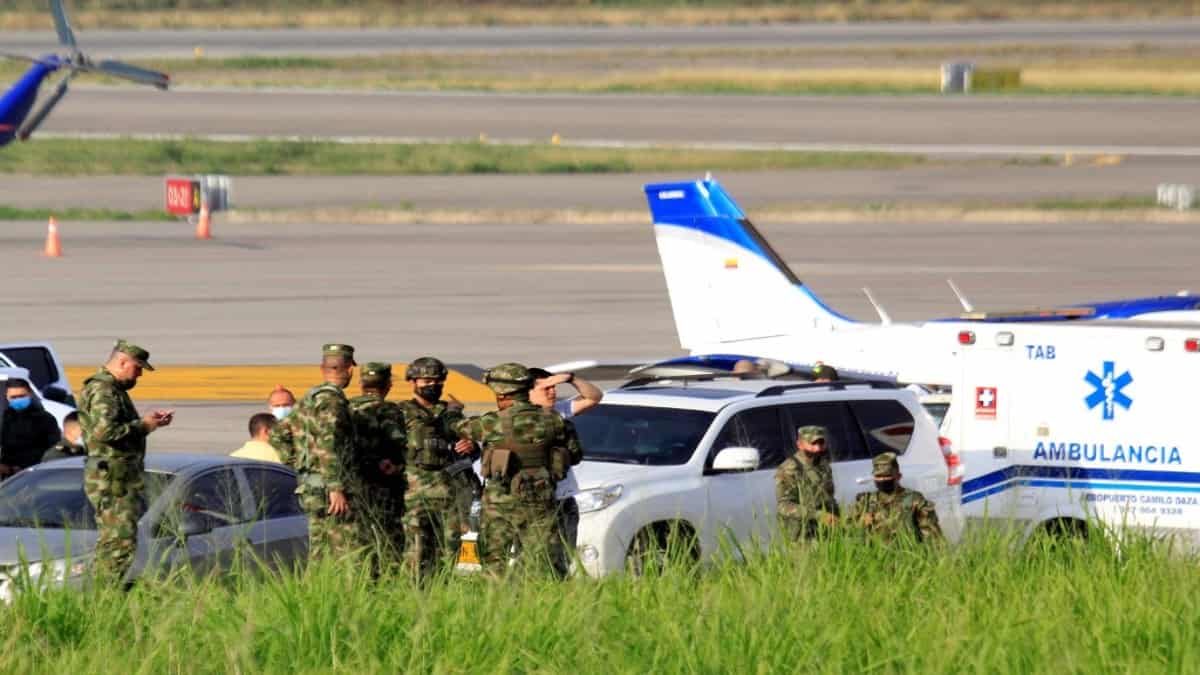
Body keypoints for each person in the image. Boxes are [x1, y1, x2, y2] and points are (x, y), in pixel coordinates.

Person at [455, 363, 582, 576]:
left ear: (502, 394)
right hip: (540, 501)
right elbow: (575, 455)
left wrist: (452, 412)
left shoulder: (491, 422)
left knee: (495, 562)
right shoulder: (555, 420)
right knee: (542, 562)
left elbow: (459, 427)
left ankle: (496, 595)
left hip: (499, 503)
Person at [78, 340, 174, 584]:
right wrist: (144, 425)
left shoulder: (110, 389)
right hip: (114, 477)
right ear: (122, 362)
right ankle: (106, 592)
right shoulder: (104, 390)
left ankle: (101, 590)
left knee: (113, 540)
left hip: (117, 475)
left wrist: (147, 423)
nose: (139, 374)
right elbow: (105, 432)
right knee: (120, 541)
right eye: (137, 367)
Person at [269, 343, 361, 560]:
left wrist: (296, 463)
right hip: (328, 491)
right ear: (350, 370)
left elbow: (277, 434)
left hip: (310, 486)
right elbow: (329, 443)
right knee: (345, 551)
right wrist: (335, 487)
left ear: (322, 369)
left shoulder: (309, 400)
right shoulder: (332, 401)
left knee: (319, 549)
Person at [398, 356, 474, 578]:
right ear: (413, 382)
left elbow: (470, 449)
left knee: (450, 552)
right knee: (415, 552)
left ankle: (444, 592)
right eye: (426, 381)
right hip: (413, 494)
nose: (432, 385)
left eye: (437, 381)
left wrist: (470, 445)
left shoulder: (451, 413)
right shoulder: (401, 412)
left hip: (448, 493)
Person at [347, 361, 408, 569]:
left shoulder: (347, 407)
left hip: (353, 483)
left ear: (361, 384)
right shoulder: (389, 410)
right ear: (388, 385)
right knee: (389, 540)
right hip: (383, 484)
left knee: (359, 540)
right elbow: (398, 440)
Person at [848, 452, 943, 544]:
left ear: (898, 476)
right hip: (874, 553)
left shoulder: (915, 500)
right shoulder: (865, 502)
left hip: (907, 552)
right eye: (878, 476)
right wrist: (862, 523)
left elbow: (933, 538)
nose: (882, 480)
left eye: (887, 476)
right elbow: (848, 532)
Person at [775, 425, 839, 541]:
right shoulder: (789, 469)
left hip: (826, 531)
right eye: (813, 443)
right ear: (800, 444)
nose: (817, 448)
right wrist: (817, 515)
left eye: (821, 443)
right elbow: (784, 506)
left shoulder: (823, 465)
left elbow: (829, 497)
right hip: (803, 535)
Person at [0, 378, 61, 477]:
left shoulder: (46, 419)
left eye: (22, 396)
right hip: (8, 476)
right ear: (7, 397)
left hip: (35, 474)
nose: (18, 400)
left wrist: (26, 466)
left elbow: (54, 449)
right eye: (13, 397)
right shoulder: (4, 419)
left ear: (30, 394)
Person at [528, 368, 604, 420]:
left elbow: (594, 398)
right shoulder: (521, 417)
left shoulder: (558, 409)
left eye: (553, 387)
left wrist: (571, 379)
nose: (553, 391)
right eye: (546, 388)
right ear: (528, 391)